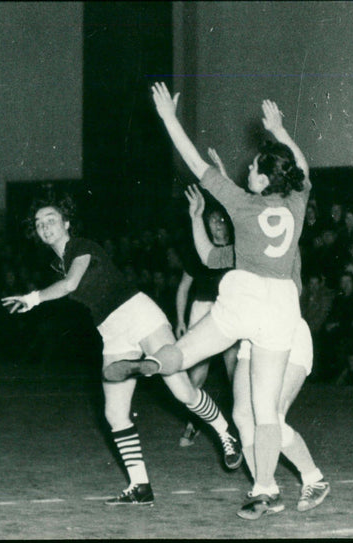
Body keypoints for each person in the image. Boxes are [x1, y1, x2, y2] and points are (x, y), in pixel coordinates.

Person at [130, 82, 311, 519]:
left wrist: (169, 119)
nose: (246, 170)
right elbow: (302, 169)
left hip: (245, 295)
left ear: (263, 180)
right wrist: (282, 132)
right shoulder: (297, 200)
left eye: (252, 168)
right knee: (265, 412)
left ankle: (161, 359)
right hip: (281, 304)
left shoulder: (242, 205)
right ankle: (266, 488)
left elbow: (193, 163)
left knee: (189, 350)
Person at [1, 193, 242, 507]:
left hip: (138, 313)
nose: (45, 226)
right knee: (114, 413)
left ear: (66, 223)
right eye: (39, 223)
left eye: (51, 220)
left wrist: (32, 298)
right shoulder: (56, 262)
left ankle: (225, 433)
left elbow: (72, 284)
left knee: (183, 391)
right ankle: (140, 486)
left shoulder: (81, 246)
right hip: (111, 330)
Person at [186, 181, 330, 513]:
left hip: (287, 333)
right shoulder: (244, 251)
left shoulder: (282, 245)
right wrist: (197, 217)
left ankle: (313, 477)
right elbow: (209, 256)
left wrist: (224, 181)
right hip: (254, 337)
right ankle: (266, 488)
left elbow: (253, 205)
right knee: (241, 414)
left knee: (272, 418)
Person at [174, 148, 239, 448]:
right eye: (212, 221)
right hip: (202, 311)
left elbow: (240, 206)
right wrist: (180, 321)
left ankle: (239, 428)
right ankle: (194, 422)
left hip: (230, 311)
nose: (217, 225)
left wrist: (223, 174)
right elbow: (183, 288)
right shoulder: (199, 252)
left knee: (234, 370)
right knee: (196, 375)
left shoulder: (237, 250)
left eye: (220, 221)